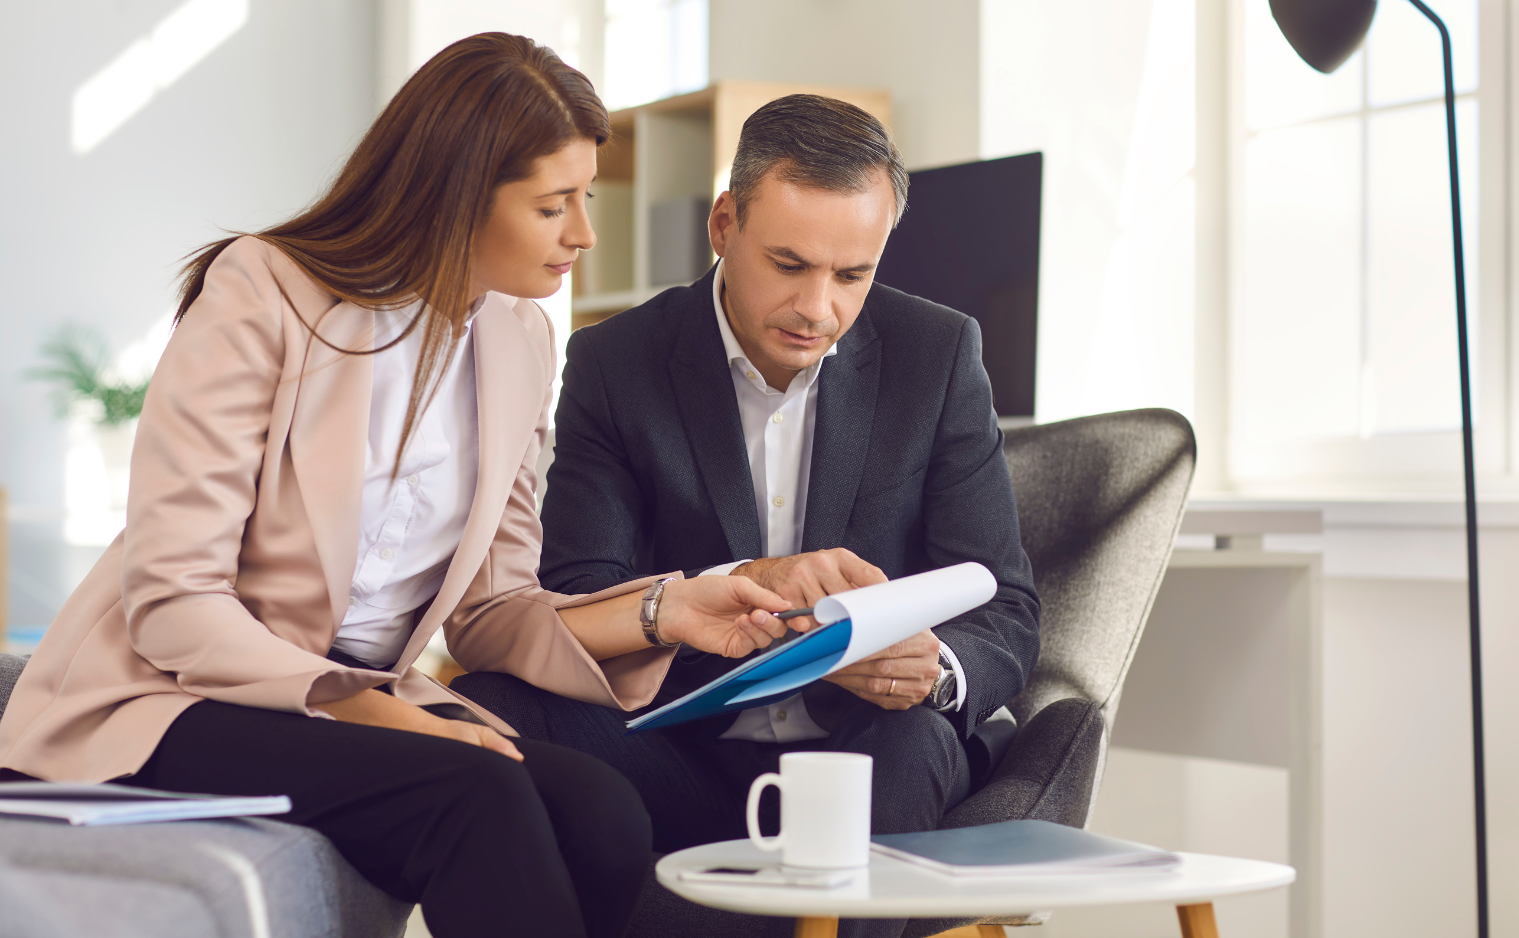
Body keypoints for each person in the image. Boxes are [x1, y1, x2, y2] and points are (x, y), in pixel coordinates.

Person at [0, 34, 795, 938]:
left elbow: (494, 610)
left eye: (585, 196)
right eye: (552, 205)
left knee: (604, 815)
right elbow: (175, 604)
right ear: (458, 198)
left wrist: (668, 609)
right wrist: (378, 713)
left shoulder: (519, 339)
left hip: (345, 703)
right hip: (168, 696)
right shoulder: (262, 292)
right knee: (476, 794)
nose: (584, 231)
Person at [453, 95, 1041, 938]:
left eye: (851, 275)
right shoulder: (618, 362)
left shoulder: (936, 354)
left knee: (912, 741)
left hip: (872, 749)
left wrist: (933, 666)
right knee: (489, 702)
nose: (817, 308)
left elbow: (1004, 605)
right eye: (789, 263)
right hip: (686, 752)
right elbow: (579, 591)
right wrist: (731, 597)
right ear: (723, 223)